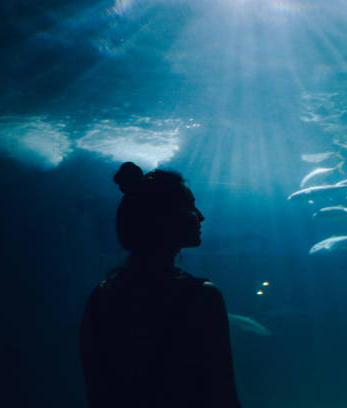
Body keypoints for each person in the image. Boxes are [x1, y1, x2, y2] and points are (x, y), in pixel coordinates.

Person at [79, 162, 241, 408]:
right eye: (189, 206)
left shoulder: (101, 295)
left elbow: (96, 388)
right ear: (164, 217)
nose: (200, 216)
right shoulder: (201, 297)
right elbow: (221, 392)